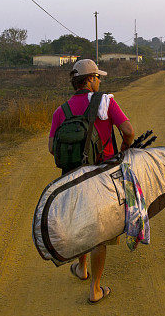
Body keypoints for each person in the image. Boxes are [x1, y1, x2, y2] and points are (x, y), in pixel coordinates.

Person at [48, 58, 135, 303]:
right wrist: (124, 149)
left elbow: (51, 149)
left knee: (82, 226)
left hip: (73, 179)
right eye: (98, 77)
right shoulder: (106, 102)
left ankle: (81, 268)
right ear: (89, 79)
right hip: (102, 176)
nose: (99, 81)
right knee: (100, 233)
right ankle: (95, 288)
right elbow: (128, 131)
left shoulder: (60, 111)